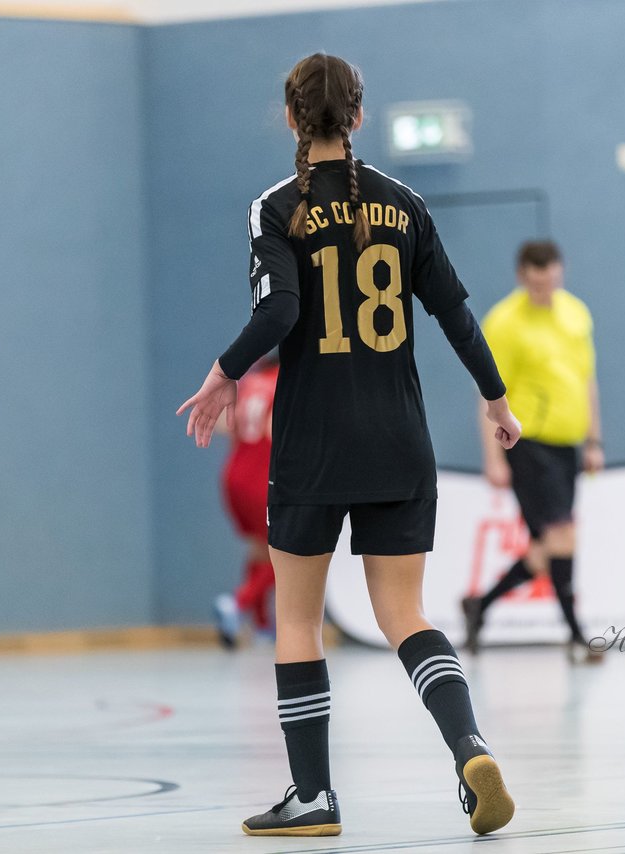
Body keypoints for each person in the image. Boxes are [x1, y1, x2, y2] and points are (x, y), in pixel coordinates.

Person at [177, 54, 521, 838]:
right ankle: (469, 746)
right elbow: (457, 315)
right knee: (405, 613)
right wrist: (496, 398)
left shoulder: (275, 207)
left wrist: (221, 375)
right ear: (358, 118)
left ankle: (313, 797)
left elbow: (280, 315)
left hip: (314, 445)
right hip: (401, 437)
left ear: (292, 119)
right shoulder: (406, 205)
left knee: (299, 620)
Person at [461, 240, 605, 662]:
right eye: (537, 282)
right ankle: (578, 636)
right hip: (528, 443)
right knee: (563, 534)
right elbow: (487, 394)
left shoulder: (576, 313)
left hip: (568, 443)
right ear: (523, 276)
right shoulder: (504, 322)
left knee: (545, 549)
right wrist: (492, 457)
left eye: (552, 280)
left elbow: (587, 380)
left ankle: (479, 606)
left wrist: (594, 440)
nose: (545, 289)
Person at [213, 355, 280, 648]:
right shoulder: (286, 383)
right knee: (287, 553)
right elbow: (275, 431)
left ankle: (262, 625)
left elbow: (225, 426)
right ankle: (237, 604)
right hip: (264, 476)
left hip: (235, 473)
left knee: (259, 548)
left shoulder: (251, 383)